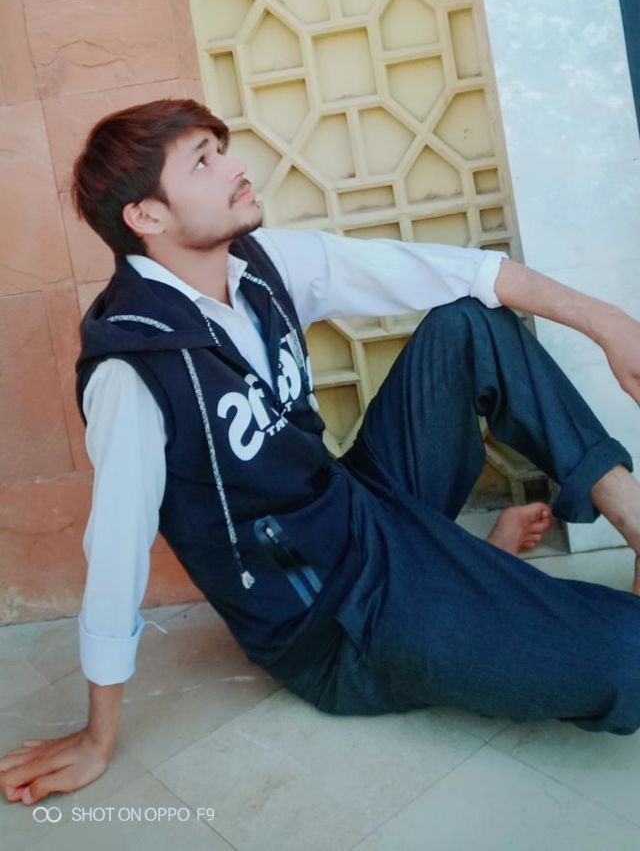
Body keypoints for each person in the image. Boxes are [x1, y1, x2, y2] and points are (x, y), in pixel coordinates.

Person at [2, 98, 640, 808]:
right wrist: (98, 736)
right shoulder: (133, 367)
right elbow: (116, 547)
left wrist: (609, 322)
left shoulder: (262, 263)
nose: (235, 168)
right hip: (335, 624)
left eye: (222, 149)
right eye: (204, 162)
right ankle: (468, 576)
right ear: (146, 216)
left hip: (363, 512)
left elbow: (462, 274)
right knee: (628, 659)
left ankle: (623, 524)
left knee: (468, 326)